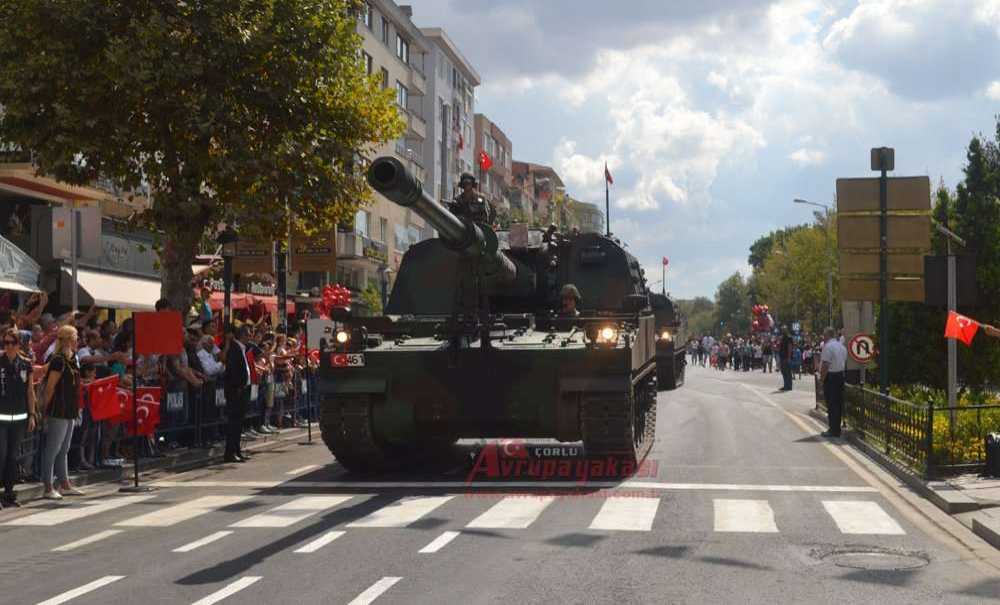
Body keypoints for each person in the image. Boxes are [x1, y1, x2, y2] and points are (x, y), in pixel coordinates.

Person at [40, 325, 84, 499]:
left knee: (64, 448)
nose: (78, 341)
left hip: (70, 409)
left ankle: (65, 483)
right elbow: (50, 387)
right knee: (52, 448)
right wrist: (44, 410)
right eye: (76, 337)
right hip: (58, 409)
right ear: (68, 340)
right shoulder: (57, 359)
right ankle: (48, 487)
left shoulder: (73, 358)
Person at [0, 328, 36, 509]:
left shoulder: (26, 364)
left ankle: (9, 493)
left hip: (20, 418)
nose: (8, 346)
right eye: (5, 343)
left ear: (18, 344)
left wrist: (32, 414)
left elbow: (30, 391)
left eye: (11, 343)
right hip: (1, 419)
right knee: (1, 454)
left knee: (13, 457)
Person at [223, 325, 252, 463]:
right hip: (236, 391)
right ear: (242, 335)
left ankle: (237, 450)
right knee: (233, 423)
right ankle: (230, 453)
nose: (250, 337)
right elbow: (232, 370)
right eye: (248, 334)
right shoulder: (234, 349)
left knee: (239, 423)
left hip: (242, 390)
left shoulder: (241, 349)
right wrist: (238, 386)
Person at [819, 327, 848, 438]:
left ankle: (833, 429)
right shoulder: (841, 346)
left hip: (831, 377)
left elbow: (825, 365)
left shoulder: (828, 347)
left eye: (824, 335)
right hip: (840, 376)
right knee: (838, 404)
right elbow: (844, 362)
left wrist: (822, 380)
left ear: (828, 335)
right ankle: (837, 429)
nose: (823, 337)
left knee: (831, 404)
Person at [778, 327, 793, 391]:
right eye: (782, 330)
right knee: (783, 371)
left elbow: (790, 347)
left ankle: (789, 386)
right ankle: (785, 385)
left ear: (786, 330)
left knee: (788, 372)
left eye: (784, 330)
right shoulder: (782, 338)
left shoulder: (789, 338)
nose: (782, 331)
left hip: (786, 357)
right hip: (782, 357)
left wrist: (789, 357)